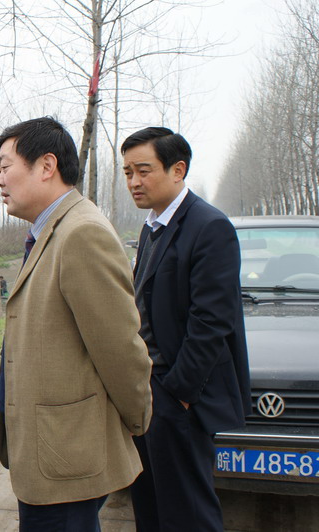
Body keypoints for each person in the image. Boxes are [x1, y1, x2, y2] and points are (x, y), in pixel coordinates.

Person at [0, 116, 152, 532]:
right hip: (49, 454)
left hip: (66, 458)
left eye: (6, 166)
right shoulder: (50, 231)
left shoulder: (81, 233)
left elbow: (120, 349)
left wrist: (136, 420)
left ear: (47, 166)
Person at [122, 127, 251, 532]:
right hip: (147, 390)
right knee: (150, 504)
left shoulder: (209, 226)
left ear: (178, 170)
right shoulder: (151, 227)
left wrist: (179, 392)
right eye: (127, 172)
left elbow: (212, 321)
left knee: (188, 510)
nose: (134, 182)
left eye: (144, 171)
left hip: (177, 395)